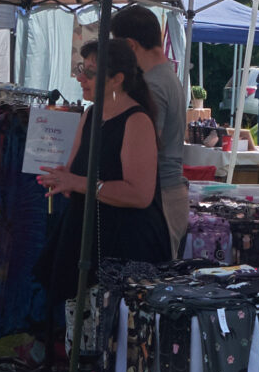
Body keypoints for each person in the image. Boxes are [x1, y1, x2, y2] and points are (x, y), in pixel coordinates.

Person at [38, 38, 171, 271]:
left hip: (126, 245)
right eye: (81, 69)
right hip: (86, 235)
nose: (80, 78)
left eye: (90, 73)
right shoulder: (90, 115)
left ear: (117, 79)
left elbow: (140, 195)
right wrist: (62, 179)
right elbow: (74, 174)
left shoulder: (136, 121)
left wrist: (78, 183)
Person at [106, 4, 190, 257]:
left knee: (145, 282)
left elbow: (144, 148)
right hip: (166, 192)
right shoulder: (165, 75)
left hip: (159, 197)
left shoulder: (152, 85)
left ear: (130, 45)